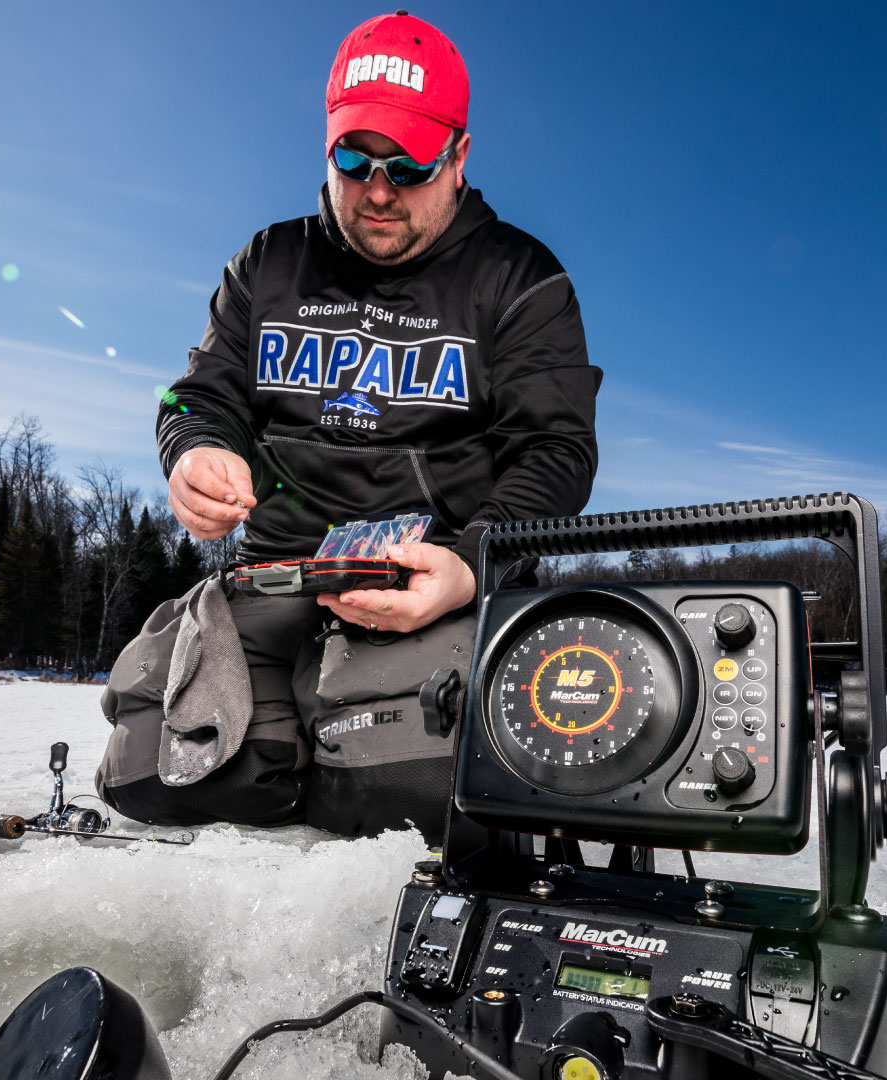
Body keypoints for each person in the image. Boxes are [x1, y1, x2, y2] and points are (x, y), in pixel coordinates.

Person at [99, 10, 600, 833]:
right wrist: (193, 450)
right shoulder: (268, 263)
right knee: (156, 769)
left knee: (404, 790)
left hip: (427, 595)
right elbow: (197, 396)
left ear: (460, 156)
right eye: (353, 158)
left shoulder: (522, 280)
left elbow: (555, 452)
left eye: (409, 165)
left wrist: (472, 564)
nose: (377, 190)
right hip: (277, 582)